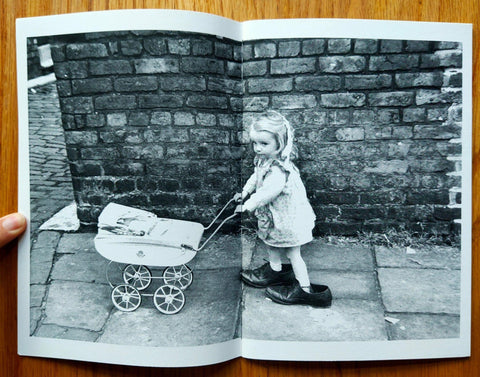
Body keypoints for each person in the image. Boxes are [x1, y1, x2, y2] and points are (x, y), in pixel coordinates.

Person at [235, 110, 331, 307]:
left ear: (280, 143)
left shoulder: (279, 171)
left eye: (264, 144)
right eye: (255, 143)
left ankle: (305, 290)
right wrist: (244, 191)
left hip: (290, 220)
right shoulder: (265, 161)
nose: (258, 148)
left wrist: (248, 205)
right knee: (271, 243)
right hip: (277, 218)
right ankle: (276, 270)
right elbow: (256, 177)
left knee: (293, 254)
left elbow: (267, 193)